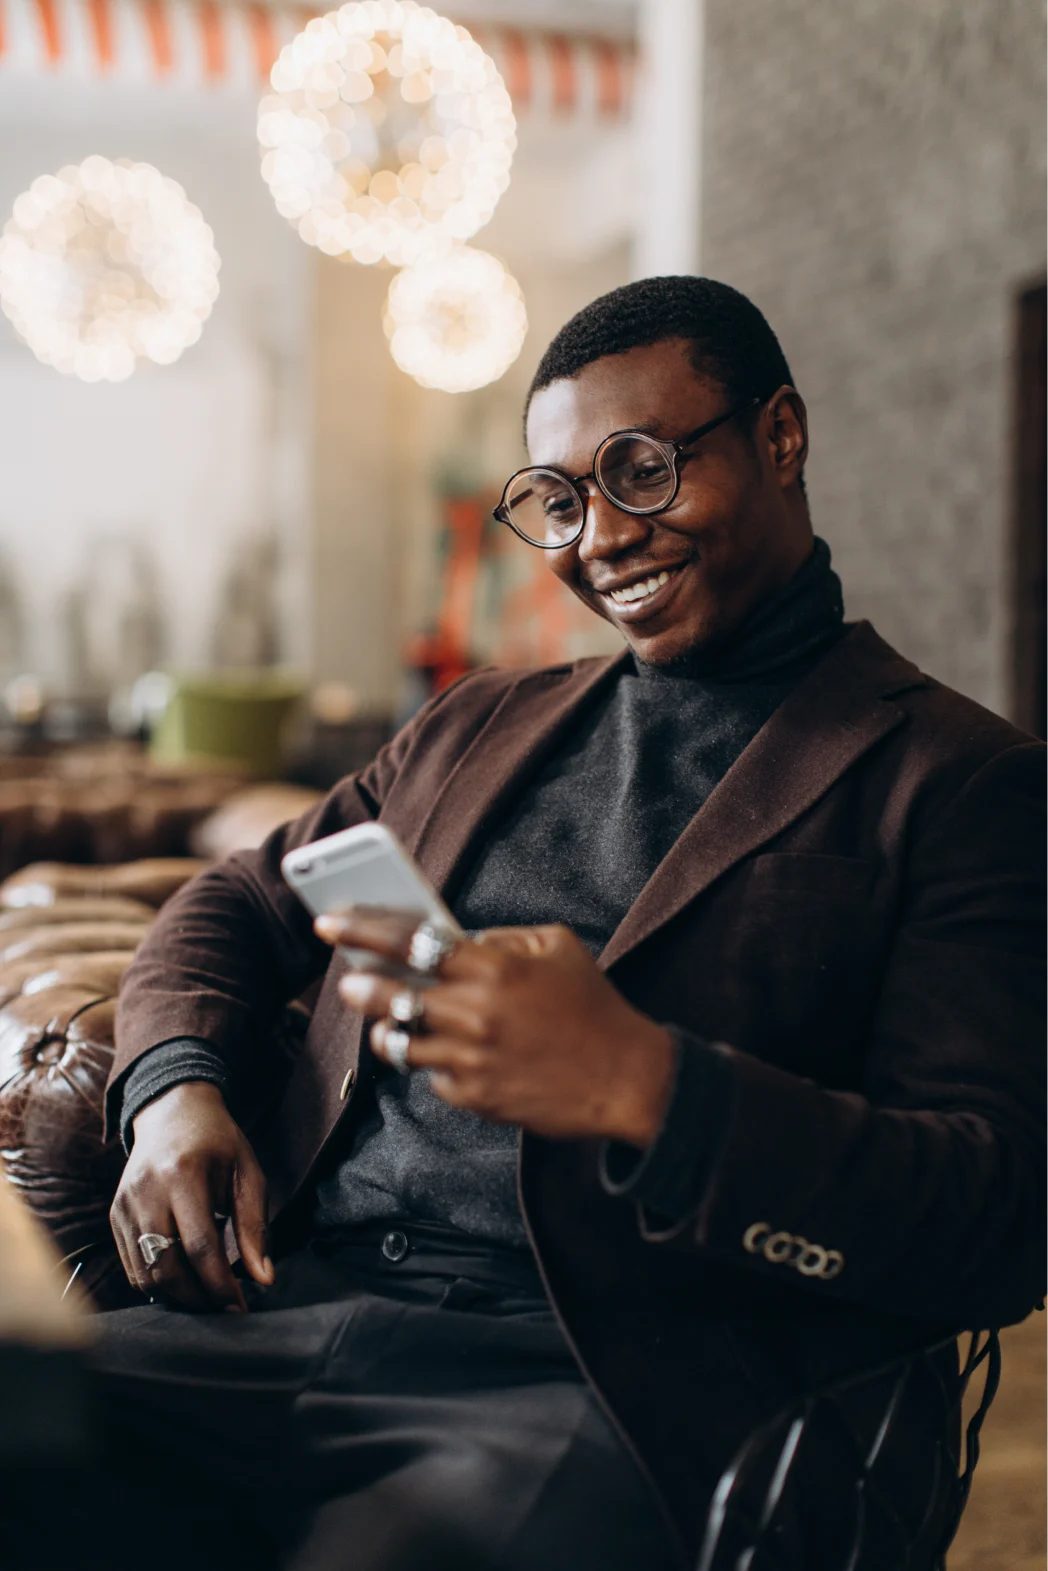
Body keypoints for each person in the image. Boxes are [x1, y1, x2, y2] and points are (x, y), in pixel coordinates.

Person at [92, 277, 1048, 1571]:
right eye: (559, 495)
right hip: (286, 1305)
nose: (601, 535)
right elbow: (243, 898)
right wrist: (174, 1090)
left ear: (780, 436)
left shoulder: (955, 781)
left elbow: (996, 1221)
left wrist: (651, 1086)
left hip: (607, 1378)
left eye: (642, 469)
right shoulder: (477, 725)